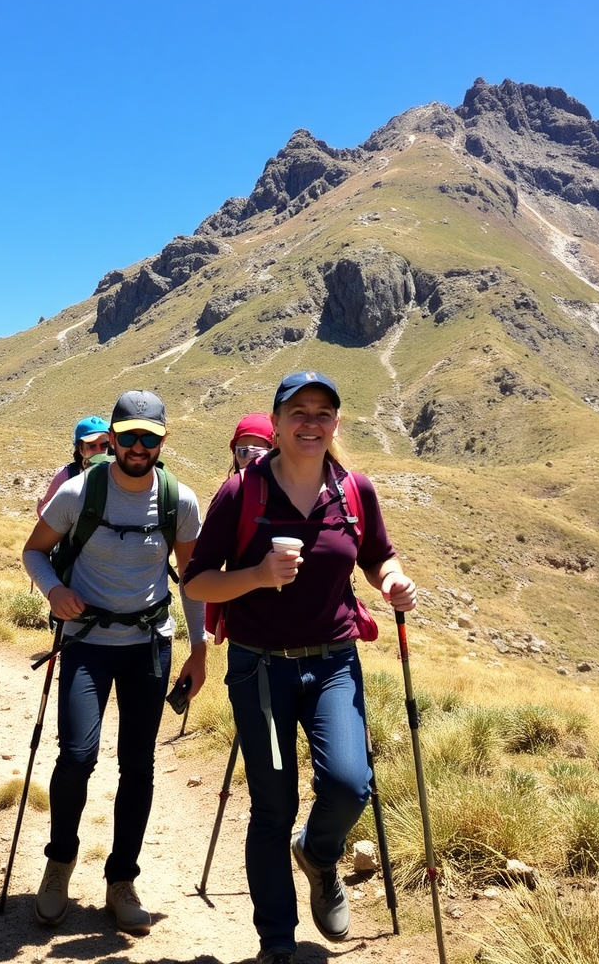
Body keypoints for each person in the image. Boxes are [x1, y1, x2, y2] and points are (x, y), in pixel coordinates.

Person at [183, 370, 417, 964]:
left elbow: (377, 555)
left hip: (335, 660)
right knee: (273, 803)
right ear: (279, 421)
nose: (311, 423)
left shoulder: (354, 489)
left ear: (335, 423)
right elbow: (198, 579)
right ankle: (277, 942)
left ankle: (317, 853)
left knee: (348, 782)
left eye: (323, 413)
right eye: (298, 412)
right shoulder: (243, 493)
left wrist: (391, 581)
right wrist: (258, 575)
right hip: (259, 668)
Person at [22, 390, 207, 935]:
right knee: (77, 756)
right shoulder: (80, 492)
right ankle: (59, 864)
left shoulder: (180, 501)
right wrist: (54, 590)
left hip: (149, 644)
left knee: (138, 764)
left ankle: (122, 879)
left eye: (148, 438)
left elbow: (192, 581)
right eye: (128, 437)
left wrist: (199, 649)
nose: (137, 447)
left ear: (162, 441)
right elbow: (34, 550)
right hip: (86, 641)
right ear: (112, 437)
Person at [35, 415, 111, 517]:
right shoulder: (67, 475)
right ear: (80, 449)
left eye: (104, 445)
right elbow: (46, 513)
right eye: (92, 446)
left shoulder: (122, 473)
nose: (98, 451)